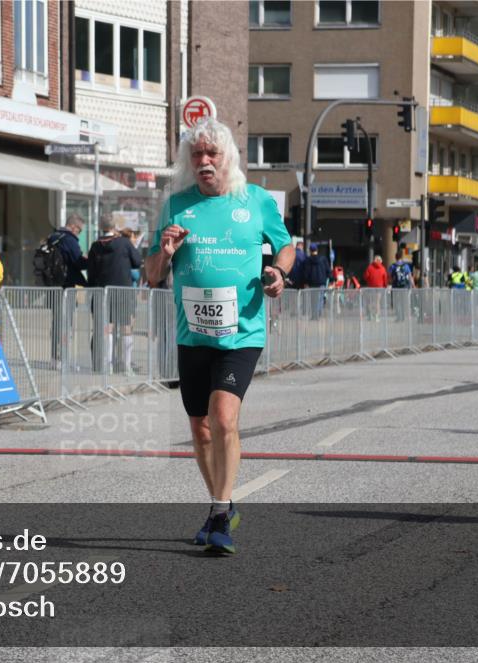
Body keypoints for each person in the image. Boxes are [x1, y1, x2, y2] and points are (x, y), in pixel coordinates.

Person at [145, 117, 294, 555]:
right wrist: (165, 252)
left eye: (212, 154)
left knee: (224, 417)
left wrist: (278, 271)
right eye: (197, 155)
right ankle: (221, 505)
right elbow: (152, 275)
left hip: (241, 330)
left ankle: (217, 514)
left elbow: (286, 246)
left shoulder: (256, 200)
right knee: (201, 428)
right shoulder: (176, 205)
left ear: (228, 156)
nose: (205, 161)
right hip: (193, 335)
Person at [88, 214, 142, 375]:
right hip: (124, 291)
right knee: (126, 328)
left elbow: (91, 273)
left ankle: (108, 365)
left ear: (100, 226)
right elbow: (137, 261)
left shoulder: (95, 246)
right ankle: (126, 366)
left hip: (103, 292)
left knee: (107, 328)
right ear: (114, 227)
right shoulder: (124, 243)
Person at [46, 214, 88, 363]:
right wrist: (89, 260)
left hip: (52, 286)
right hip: (66, 286)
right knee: (66, 322)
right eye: (80, 230)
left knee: (56, 321)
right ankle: (63, 357)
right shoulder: (69, 240)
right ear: (73, 227)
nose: (80, 233)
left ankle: (53, 357)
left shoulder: (53, 237)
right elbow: (77, 262)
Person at [302, 243, 330, 320]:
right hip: (321, 282)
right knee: (320, 299)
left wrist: (305, 282)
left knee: (313, 300)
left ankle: (314, 316)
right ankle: (319, 314)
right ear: (317, 250)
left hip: (312, 283)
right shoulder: (323, 259)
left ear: (310, 250)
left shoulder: (307, 260)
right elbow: (328, 271)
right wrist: (330, 279)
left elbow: (306, 273)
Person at [389, 256, 414, 322]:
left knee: (397, 302)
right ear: (401, 257)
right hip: (404, 287)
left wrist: (391, 283)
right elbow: (410, 275)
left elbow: (390, 277)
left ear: (395, 257)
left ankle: (399, 317)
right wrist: (412, 284)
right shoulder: (406, 266)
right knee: (403, 302)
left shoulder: (393, 266)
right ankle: (403, 317)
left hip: (396, 287)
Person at [363, 255, 388, 321]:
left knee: (370, 301)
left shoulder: (370, 267)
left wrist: (369, 280)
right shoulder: (382, 268)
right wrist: (385, 285)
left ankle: (370, 316)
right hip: (379, 287)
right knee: (377, 302)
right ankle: (377, 316)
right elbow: (385, 278)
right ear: (380, 261)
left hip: (371, 287)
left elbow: (365, 276)